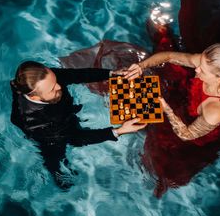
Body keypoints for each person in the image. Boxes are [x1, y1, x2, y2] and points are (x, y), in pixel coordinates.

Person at [10, 61, 146, 189]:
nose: (59, 86)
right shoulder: (36, 123)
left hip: (62, 114)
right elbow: (76, 137)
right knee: (55, 156)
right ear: (34, 97)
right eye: (53, 89)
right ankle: (59, 176)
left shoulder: (47, 79)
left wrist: (111, 73)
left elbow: (78, 75)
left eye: (55, 81)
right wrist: (119, 130)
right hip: (49, 138)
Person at [124, 43, 220, 142]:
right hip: (187, 96)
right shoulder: (205, 62)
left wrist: (168, 110)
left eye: (202, 70)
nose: (196, 69)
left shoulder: (215, 110)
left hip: (195, 126)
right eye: (200, 64)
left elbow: (186, 135)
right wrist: (141, 66)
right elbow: (169, 56)